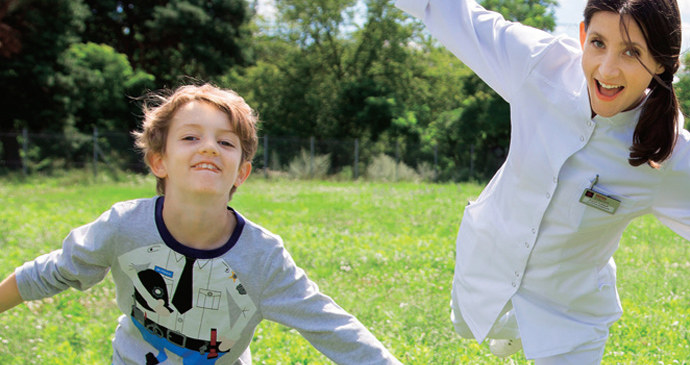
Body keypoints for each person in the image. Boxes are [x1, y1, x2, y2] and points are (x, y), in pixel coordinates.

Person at [336, 0, 690, 363]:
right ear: (582, 36)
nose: (607, 69)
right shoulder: (538, 64)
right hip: (486, 272)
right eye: (599, 43)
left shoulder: (672, 157)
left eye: (632, 52)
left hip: (570, 313)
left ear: (663, 64)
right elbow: (451, 6)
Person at [0, 84, 402, 365]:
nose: (210, 146)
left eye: (226, 142)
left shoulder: (261, 257)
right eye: (191, 137)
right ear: (159, 161)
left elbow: (331, 327)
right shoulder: (123, 226)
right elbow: (53, 272)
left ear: (240, 174)